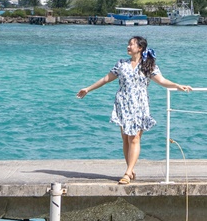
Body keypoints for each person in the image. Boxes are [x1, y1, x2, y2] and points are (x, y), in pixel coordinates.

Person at [77, 36, 191, 183]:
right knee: (125, 138)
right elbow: (106, 79)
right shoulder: (121, 64)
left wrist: (177, 85)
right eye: (128, 44)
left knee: (135, 138)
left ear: (140, 48)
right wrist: (88, 89)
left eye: (131, 44)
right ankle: (130, 168)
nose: (128, 47)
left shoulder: (148, 65)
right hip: (122, 102)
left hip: (140, 104)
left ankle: (128, 172)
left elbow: (162, 80)